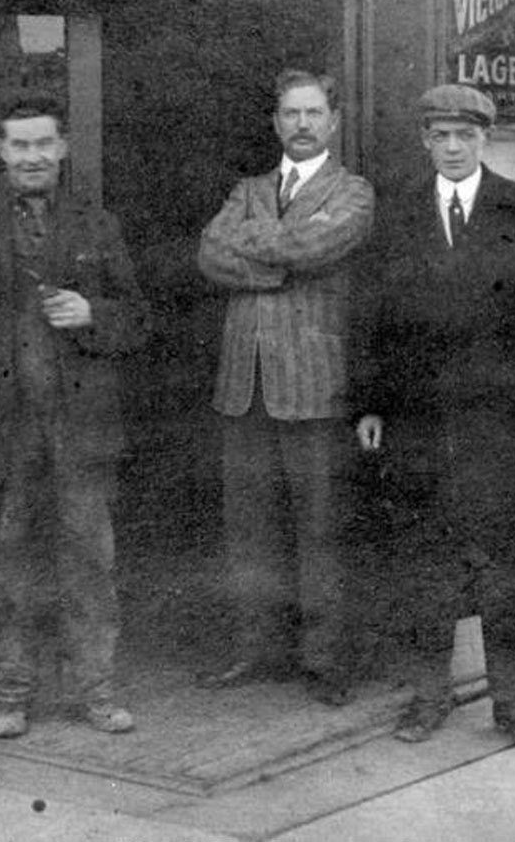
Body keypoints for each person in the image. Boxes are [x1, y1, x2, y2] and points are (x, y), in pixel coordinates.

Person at [351, 83, 515, 749]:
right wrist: (370, 401)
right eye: (440, 135)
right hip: (422, 424)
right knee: (425, 565)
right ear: (425, 140)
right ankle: (429, 698)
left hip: (510, 429)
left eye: (466, 135)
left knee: (512, 566)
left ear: (486, 139)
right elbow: (370, 319)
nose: (453, 147)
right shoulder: (397, 215)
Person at [0, 91, 151, 739]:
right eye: (18, 145)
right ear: (1, 152)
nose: (30, 156)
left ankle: (97, 692)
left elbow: (139, 320)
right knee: (8, 569)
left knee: (91, 564)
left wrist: (93, 313)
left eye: (41, 144)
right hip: (1, 427)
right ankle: (8, 694)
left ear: (62, 148)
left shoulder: (97, 225)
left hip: (79, 429)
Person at [193, 70, 374, 704]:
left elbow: (321, 244)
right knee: (249, 530)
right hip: (244, 387)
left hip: (314, 386)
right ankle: (257, 650)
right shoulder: (248, 188)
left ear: (333, 121)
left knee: (319, 532)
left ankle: (324, 662)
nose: (301, 124)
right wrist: (279, 263)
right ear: (275, 122)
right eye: (291, 114)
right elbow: (208, 254)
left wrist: (254, 249)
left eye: (313, 113)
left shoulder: (352, 193)